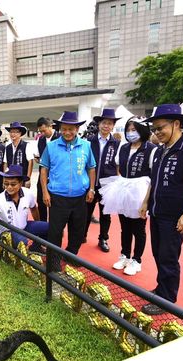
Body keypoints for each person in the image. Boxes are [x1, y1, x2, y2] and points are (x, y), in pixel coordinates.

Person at [139, 104, 183, 315]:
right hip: (157, 213)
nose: (157, 132)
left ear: (176, 124)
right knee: (159, 254)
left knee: (168, 257)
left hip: (175, 217)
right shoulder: (159, 151)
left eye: (161, 127)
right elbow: (153, 181)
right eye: (155, 129)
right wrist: (145, 202)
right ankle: (161, 289)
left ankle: (166, 299)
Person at [40, 111, 96, 272]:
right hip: (58, 197)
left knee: (77, 231)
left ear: (77, 128)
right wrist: (45, 192)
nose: (67, 132)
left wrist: (91, 188)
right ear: (60, 129)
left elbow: (91, 168)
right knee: (55, 232)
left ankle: (71, 255)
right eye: (64, 129)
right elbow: (44, 169)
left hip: (80, 197)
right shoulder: (51, 146)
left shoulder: (86, 146)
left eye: (71, 129)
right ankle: (54, 261)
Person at [110, 117, 156, 276]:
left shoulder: (151, 149)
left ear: (142, 130)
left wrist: (146, 201)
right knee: (125, 227)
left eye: (134, 130)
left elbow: (153, 176)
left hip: (140, 191)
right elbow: (118, 166)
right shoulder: (123, 147)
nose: (130, 133)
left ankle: (136, 260)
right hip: (124, 188)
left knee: (139, 228)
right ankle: (124, 255)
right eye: (128, 130)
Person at [83, 108, 121, 253]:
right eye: (104, 123)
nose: (106, 126)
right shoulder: (89, 141)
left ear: (113, 126)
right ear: (99, 124)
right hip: (90, 183)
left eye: (110, 123)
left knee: (106, 214)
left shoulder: (116, 143)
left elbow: (118, 165)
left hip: (108, 184)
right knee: (86, 211)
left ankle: (103, 238)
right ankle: (83, 234)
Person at [35, 117, 61, 222]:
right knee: (41, 200)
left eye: (44, 130)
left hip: (56, 175)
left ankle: (55, 225)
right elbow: (40, 155)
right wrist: (38, 159)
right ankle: (43, 224)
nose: (42, 133)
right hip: (43, 174)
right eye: (40, 131)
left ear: (50, 126)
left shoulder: (60, 138)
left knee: (54, 202)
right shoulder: (40, 140)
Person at [3, 122, 34, 188]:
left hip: (22, 179)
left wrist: (28, 179)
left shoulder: (26, 145)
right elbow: (5, 163)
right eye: (11, 132)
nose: (12, 134)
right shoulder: (8, 147)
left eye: (15, 132)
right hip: (11, 180)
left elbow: (30, 162)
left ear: (20, 133)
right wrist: (5, 179)